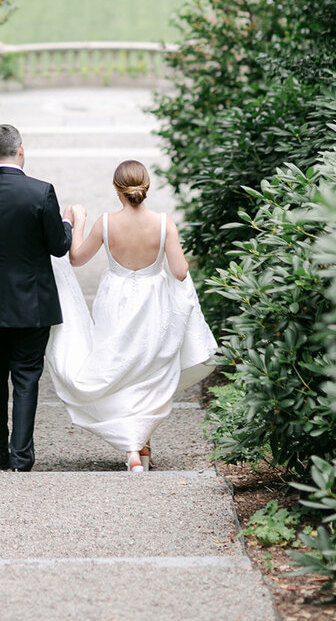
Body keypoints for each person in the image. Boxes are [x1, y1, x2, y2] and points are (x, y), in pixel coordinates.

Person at [45, 159, 217, 472]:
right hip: (153, 304)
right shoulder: (164, 223)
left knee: (120, 369)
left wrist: (79, 221)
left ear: (117, 189)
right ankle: (139, 446)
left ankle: (134, 449)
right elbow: (179, 271)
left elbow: (77, 258)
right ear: (145, 188)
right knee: (147, 372)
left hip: (116, 303)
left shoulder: (107, 223)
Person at [0, 123, 72, 471]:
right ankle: (21, 456)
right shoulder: (41, 192)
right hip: (31, 302)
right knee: (26, 375)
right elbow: (58, 246)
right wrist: (66, 223)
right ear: (21, 150)